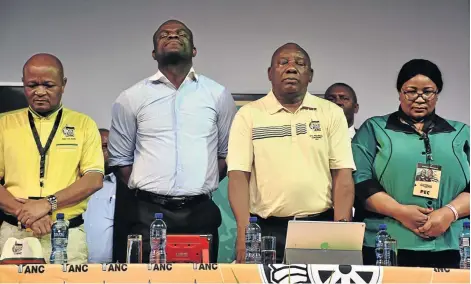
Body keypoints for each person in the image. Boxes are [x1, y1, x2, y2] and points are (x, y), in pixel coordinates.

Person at [108, 19, 237, 263]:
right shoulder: (131, 97)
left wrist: (195, 186)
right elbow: (121, 161)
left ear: (195, 50)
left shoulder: (218, 94)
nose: (173, 36)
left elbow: (225, 154)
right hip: (147, 214)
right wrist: (155, 191)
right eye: (164, 34)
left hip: (200, 213)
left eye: (181, 34)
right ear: (154, 52)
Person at [227, 43, 356, 263]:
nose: (291, 68)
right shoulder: (249, 115)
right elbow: (238, 176)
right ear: (270, 73)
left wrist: (341, 234)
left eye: (300, 63)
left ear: (310, 75)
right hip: (266, 229)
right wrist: (243, 232)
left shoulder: (331, 113)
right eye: (283, 62)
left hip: (319, 227)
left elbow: (342, 175)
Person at [352, 59, 470, 268]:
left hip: (454, 244)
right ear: (399, 92)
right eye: (411, 91)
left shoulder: (461, 132)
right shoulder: (375, 128)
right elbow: (360, 180)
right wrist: (400, 212)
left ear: (437, 93)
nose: (419, 98)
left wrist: (448, 213)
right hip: (387, 243)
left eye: (428, 91)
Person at [0, 53, 104, 264]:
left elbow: (94, 178)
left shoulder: (84, 124)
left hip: (66, 234)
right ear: (23, 84)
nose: (40, 92)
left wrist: (48, 204)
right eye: (32, 85)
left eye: (48, 85)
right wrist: (26, 213)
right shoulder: (4, 124)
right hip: (16, 234)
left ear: (63, 84)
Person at [83, 128, 116, 263]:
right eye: (97, 147)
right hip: (76, 265)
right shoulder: (73, 184)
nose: (102, 152)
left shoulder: (123, 187)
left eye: (106, 147)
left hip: (111, 269)